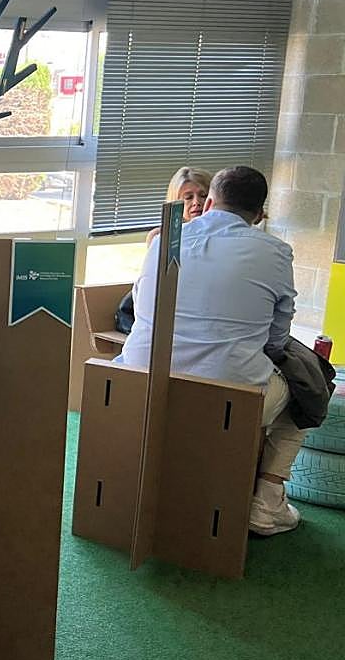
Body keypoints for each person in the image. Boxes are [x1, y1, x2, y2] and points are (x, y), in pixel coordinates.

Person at [117, 166, 302, 535]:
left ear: (212, 201)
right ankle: (266, 502)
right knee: (307, 396)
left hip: (140, 378)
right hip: (228, 395)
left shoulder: (164, 240)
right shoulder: (276, 252)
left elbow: (140, 307)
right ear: (260, 215)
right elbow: (277, 338)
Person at [117, 167, 213, 333]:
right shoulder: (160, 236)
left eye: (203, 195)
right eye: (188, 198)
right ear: (175, 202)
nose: (197, 202)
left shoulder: (220, 234)